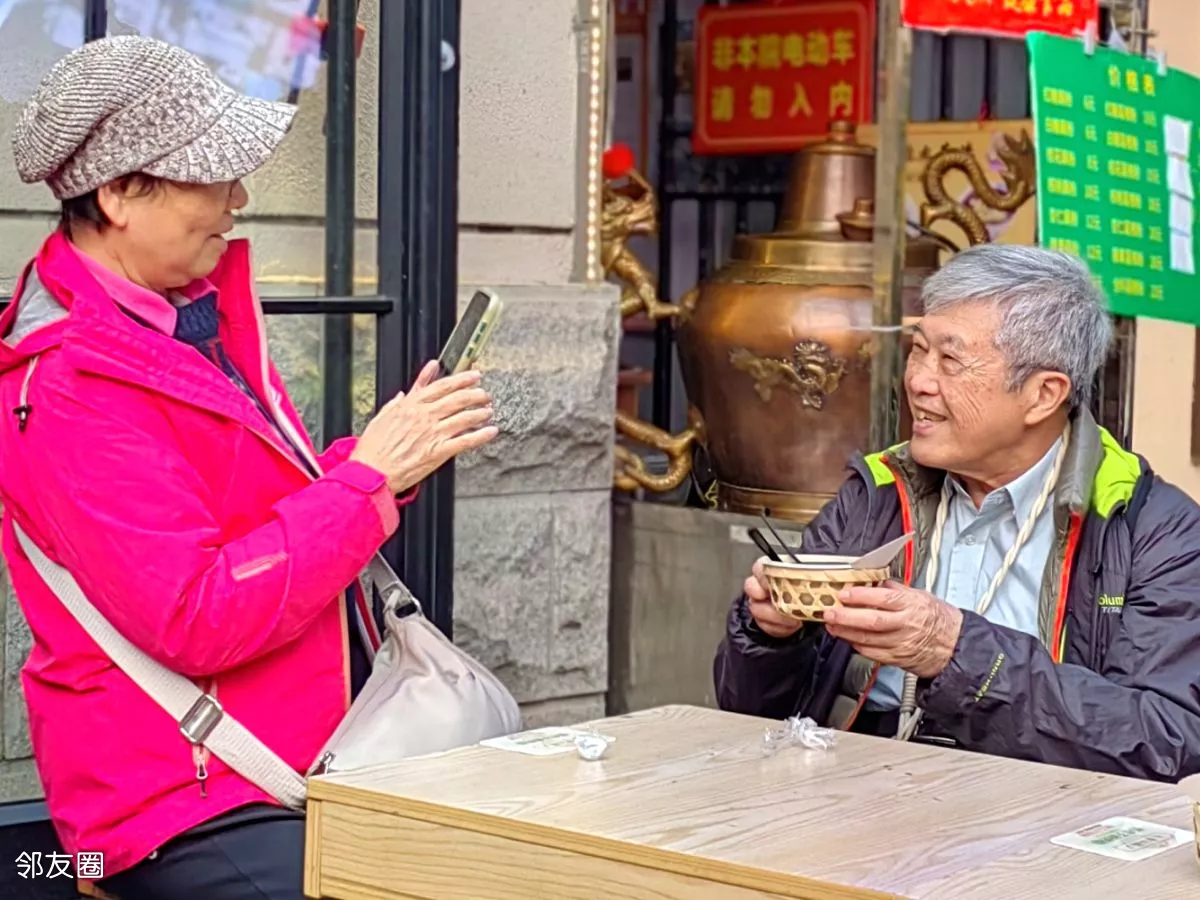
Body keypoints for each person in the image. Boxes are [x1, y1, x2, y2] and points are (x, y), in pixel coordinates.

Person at [0, 36, 497, 899]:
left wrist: (385, 458)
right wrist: (367, 480)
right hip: (170, 810)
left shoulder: (173, 321)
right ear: (120, 193)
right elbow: (197, 613)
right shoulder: (73, 385)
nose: (238, 198)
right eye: (215, 174)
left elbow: (255, 516)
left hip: (269, 766)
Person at [714, 242, 1200, 784]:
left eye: (950, 361)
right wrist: (772, 637)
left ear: (1043, 394)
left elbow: (1169, 739)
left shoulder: (1147, 529)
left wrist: (958, 654)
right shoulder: (878, 493)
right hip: (857, 792)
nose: (918, 380)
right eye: (918, 350)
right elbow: (751, 713)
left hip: (1038, 807)